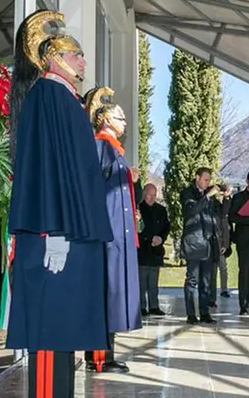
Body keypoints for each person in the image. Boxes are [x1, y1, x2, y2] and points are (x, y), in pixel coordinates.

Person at [7, 10, 113, 397]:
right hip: (58, 235)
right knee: (52, 334)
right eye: (76, 55)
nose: (83, 61)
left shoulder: (63, 98)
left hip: (71, 233)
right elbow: (46, 168)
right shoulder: (49, 95)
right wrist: (53, 230)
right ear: (53, 58)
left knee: (64, 333)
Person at [81, 87, 143, 373]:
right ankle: (98, 357)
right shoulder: (102, 145)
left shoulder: (112, 148)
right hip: (108, 236)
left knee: (114, 294)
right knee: (106, 294)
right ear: (105, 119)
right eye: (120, 117)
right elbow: (95, 191)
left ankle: (106, 354)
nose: (124, 122)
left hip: (117, 234)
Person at [179, 168, 223, 325]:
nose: (207, 183)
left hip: (208, 244)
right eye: (205, 179)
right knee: (192, 280)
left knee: (206, 281)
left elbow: (221, 212)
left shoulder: (209, 197)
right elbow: (191, 210)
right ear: (197, 178)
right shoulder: (187, 193)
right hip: (194, 243)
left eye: (209, 180)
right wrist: (207, 196)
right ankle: (191, 314)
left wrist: (227, 198)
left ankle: (205, 313)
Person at [229, 171, 249, 315]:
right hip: (244, 239)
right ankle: (244, 304)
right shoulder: (238, 197)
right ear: (247, 182)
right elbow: (232, 217)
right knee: (244, 272)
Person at [138, 183, 169, 317]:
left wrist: (161, 239)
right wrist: (150, 238)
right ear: (144, 194)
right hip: (143, 250)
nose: (151, 198)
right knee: (141, 281)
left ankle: (154, 306)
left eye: (154, 195)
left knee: (153, 282)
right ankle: (141, 307)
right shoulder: (139, 209)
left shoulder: (161, 210)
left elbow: (166, 227)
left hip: (156, 251)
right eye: (149, 195)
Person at [210, 185, 233, 306]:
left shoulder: (221, 210)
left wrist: (225, 244)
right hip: (213, 243)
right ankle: (211, 295)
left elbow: (225, 215)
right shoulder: (210, 205)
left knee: (223, 268)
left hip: (220, 243)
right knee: (213, 270)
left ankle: (224, 289)